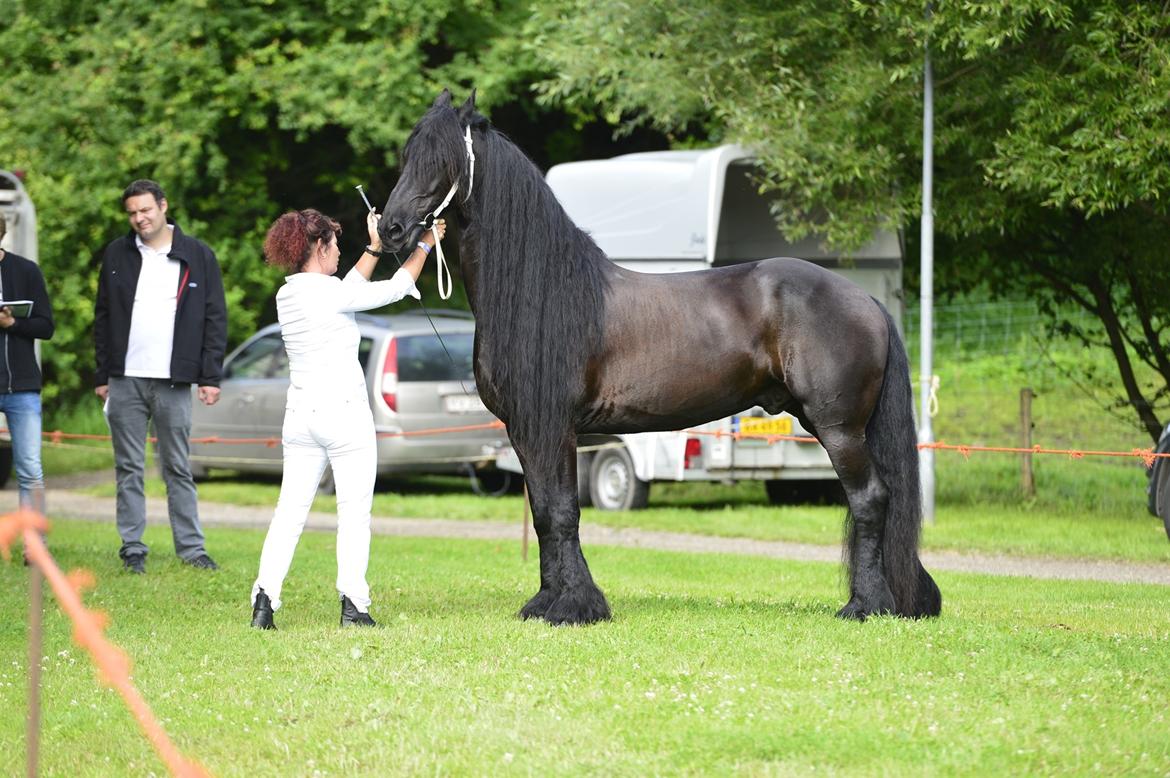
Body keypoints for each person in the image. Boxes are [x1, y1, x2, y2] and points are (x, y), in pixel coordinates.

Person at [249, 210, 441, 629]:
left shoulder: (291, 294)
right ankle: (354, 605)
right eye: (335, 245)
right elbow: (397, 287)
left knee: (289, 512)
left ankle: (264, 600)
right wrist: (427, 242)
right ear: (319, 248)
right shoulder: (328, 294)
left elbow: (347, 289)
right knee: (354, 513)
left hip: (300, 418)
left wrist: (374, 247)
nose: (339, 251)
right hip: (344, 418)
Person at [94, 179, 227, 575]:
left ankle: (191, 548)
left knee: (177, 467)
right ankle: (133, 547)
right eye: (132, 213)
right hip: (124, 378)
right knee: (128, 467)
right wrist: (102, 373)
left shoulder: (197, 255)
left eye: (145, 210)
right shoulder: (116, 254)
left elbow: (214, 319)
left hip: (174, 379)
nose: (139, 219)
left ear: (163, 206)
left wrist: (210, 376)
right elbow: (102, 317)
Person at [0, 210, 55, 556]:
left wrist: (12, 324)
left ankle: (34, 544)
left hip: (22, 386)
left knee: (30, 469)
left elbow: (46, 327)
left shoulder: (26, 270)